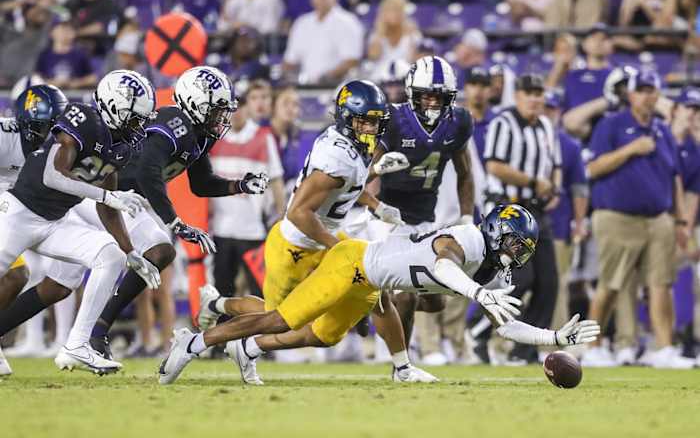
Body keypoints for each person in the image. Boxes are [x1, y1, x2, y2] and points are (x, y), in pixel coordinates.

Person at [159, 204, 601, 385]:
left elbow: (507, 328)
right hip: (352, 262)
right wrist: (478, 294)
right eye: (516, 245)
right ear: (497, 232)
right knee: (283, 318)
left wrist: (553, 338)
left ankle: (247, 348)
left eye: (524, 250)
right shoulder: (468, 238)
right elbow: (441, 264)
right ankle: (195, 342)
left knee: (322, 336)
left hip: (373, 283)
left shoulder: (492, 271)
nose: (518, 255)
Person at [197, 80, 432, 384]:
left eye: (376, 122)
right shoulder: (337, 155)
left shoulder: (352, 147)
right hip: (295, 244)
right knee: (277, 317)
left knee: (377, 290)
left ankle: (403, 368)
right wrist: (337, 248)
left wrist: (376, 203)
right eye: (365, 121)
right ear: (348, 118)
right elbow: (298, 212)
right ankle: (216, 309)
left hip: (321, 237)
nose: (371, 128)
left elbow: (345, 187)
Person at [0, 70, 161, 374]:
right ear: (113, 108)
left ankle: (76, 345)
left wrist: (130, 252)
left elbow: (107, 207)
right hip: (18, 213)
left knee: (110, 255)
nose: (140, 126)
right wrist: (107, 196)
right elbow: (53, 175)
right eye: (135, 118)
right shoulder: (84, 119)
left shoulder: (122, 146)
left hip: (55, 221)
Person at [359, 56, 475, 365]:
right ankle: (401, 361)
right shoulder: (395, 120)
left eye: (439, 96)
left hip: (424, 220)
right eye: (427, 95)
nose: (433, 102)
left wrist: (466, 217)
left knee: (436, 302)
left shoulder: (458, 122)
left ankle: (369, 306)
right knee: (406, 294)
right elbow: (359, 178)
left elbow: (465, 173)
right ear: (413, 94)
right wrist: (377, 190)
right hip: (388, 219)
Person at [582, 70, 695, 369]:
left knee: (661, 285)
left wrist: (680, 221)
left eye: (652, 90)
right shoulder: (611, 124)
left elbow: (675, 178)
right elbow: (592, 168)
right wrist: (631, 149)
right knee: (610, 285)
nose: (647, 96)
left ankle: (664, 348)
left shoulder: (663, 131)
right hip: (617, 217)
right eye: (641, 90)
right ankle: (592, 346)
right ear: (630, 95)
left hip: (658, 219)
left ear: (658, 95)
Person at [482, 73, 562, 364]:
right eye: (529, 93)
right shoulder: (503, 123)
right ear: (517, 96)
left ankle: (524, 349)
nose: (535, 98)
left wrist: (554, 189)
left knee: (549, 282)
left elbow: (555, 165)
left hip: (537, 210)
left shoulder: (546, 126)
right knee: (520, 279)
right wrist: (532, 182)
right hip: (508, 212)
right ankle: (478, 330)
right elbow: (494, 165)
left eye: (539, 93)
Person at [0, 84, 68, 375]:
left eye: (54, 126)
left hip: (17, 215)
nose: (48, 133)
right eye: (42, 126)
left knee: (17, 276)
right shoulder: (4, 136)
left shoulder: (60, 149)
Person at [208, 81, 285, 299]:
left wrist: (281, 217)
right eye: (230, 106)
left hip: (253, 230)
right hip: (221, 230)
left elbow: (276, 180)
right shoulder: (213, 138)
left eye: (240, 105)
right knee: (222, 293)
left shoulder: (263, 137)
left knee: (258, 293)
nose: (236, 111)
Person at [544, 91, 589, 333]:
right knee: (520, 281)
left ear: (559, 112)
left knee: (558, 282)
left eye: (551, 108)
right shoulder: (519, 138)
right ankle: (513, 340)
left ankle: (555, 335)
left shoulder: (569, 145)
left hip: (558, 224)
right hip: (521, 226)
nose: (546, 113)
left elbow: (579, 188)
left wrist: (579, 222)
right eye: (544, 107)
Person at [282, 0, 363, 85]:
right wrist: (286, 75)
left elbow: (352, 60)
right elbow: (290, 60)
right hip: (306, 85)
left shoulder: (348, 22)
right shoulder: (302, 23)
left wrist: (327, 78)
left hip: (339, 86)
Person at [35, 19, 98, 90]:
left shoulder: (80, 54)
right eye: (62, 29)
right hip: (50, 95)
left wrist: (77, 83)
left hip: (74, 95)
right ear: (52, 33)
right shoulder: (45, 55)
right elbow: (36, 78)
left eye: (69, 30)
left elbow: (93, 78)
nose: (65, 33)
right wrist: (51, 83)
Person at [367, 0, 421, 72]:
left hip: (405, 74)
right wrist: (380, 33)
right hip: (381, 75)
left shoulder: (413, 34)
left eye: (397, 10)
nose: (394, 14)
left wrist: (411, 38)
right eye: (389, 10)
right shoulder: (376, 34)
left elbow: (415, 60)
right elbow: (373, 57)